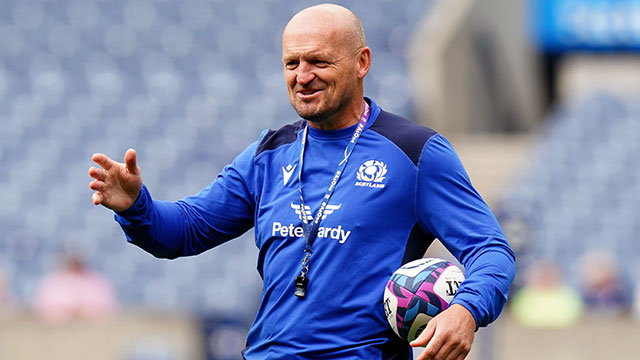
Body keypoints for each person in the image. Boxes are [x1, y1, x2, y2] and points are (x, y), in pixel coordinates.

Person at [88, 4, 515, 359]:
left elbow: (491, 252)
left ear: (362, 62)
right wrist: (136, 206)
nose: (302, 75)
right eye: (292, 63)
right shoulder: (268, 153)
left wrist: (466, 310)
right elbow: (183, 232)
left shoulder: (416, 153)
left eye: (318, 61)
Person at [34, 254, 116, 323]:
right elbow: (44, 308)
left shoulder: (96, 280)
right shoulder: (52, 282)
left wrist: (83, 311)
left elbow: (106, 306)